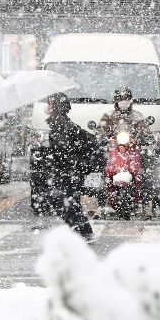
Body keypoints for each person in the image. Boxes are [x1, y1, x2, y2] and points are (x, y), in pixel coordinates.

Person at [45, 92, 98, 242]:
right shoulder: (60, 122)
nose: (46, 107)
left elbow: (64, 151)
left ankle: (83, 232)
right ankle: (83, 231)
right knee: (67, 201)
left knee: (62, 201)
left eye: (48, 103)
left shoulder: (60, 124)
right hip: (71, 169)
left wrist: (56, 161)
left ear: (54, 106)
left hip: (68, 170)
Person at [97, 86, 156, 218]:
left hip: (133, 151)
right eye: (121, 99)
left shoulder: (138, 116)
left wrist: (143, 138)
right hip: (114, 151)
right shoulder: (108, 116)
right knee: (100, 170)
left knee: (147, 172)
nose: (124, 102)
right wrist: (103, 138)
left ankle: (145, 203)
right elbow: (100, 131)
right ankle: (101, 202)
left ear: (131, 101)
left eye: (126, 99)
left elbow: (146, 133)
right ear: (116, 101)